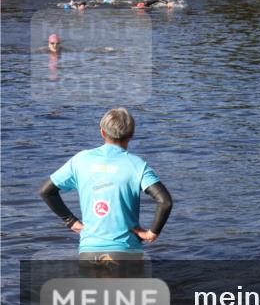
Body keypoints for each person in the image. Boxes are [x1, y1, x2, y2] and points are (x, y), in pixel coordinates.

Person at [39, 108, 174, 266]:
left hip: (89, 252)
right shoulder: (137, 165)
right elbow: (165, 201)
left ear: (103, 132)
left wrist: (70, 221)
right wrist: (151, 234)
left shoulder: (80, 160)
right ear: (131, 134)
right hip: (127, 251)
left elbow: (46, 192)